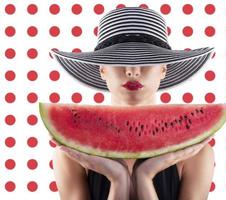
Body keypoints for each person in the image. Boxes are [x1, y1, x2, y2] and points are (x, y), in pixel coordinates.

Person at [49, 6, 215, 200]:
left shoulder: (196, 152)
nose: (132, 70)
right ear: (102, 70)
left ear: (164, 69)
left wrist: (144, 176)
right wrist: (118, 178)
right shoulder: (70, 152)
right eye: (118, 59)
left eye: (147, 59)